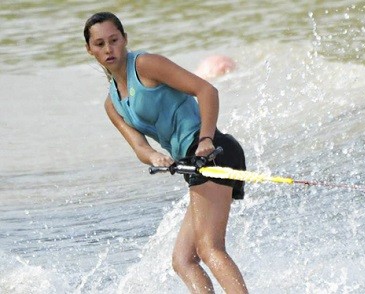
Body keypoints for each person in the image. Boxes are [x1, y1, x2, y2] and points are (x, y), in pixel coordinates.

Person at [84, 12, 248, 293]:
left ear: (125, 40)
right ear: (90, 50)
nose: (108, 49)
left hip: (213, 152)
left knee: (210, 248)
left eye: (114, 40)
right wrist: (155, 157)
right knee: (183, 260)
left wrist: (205, 138)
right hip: (191, 164)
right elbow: (140, 147)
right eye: (99, 44)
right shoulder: (112, 104)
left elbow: (207, 90)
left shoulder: (146, 65)